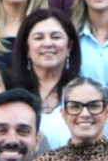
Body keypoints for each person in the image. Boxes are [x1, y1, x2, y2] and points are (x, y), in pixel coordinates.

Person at [11, 8, 87, 150]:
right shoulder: (10, 97)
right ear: (27, 49)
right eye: (39, 38)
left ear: (69, 46)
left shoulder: (87, 94)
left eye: (56, 37)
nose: (47, 43)